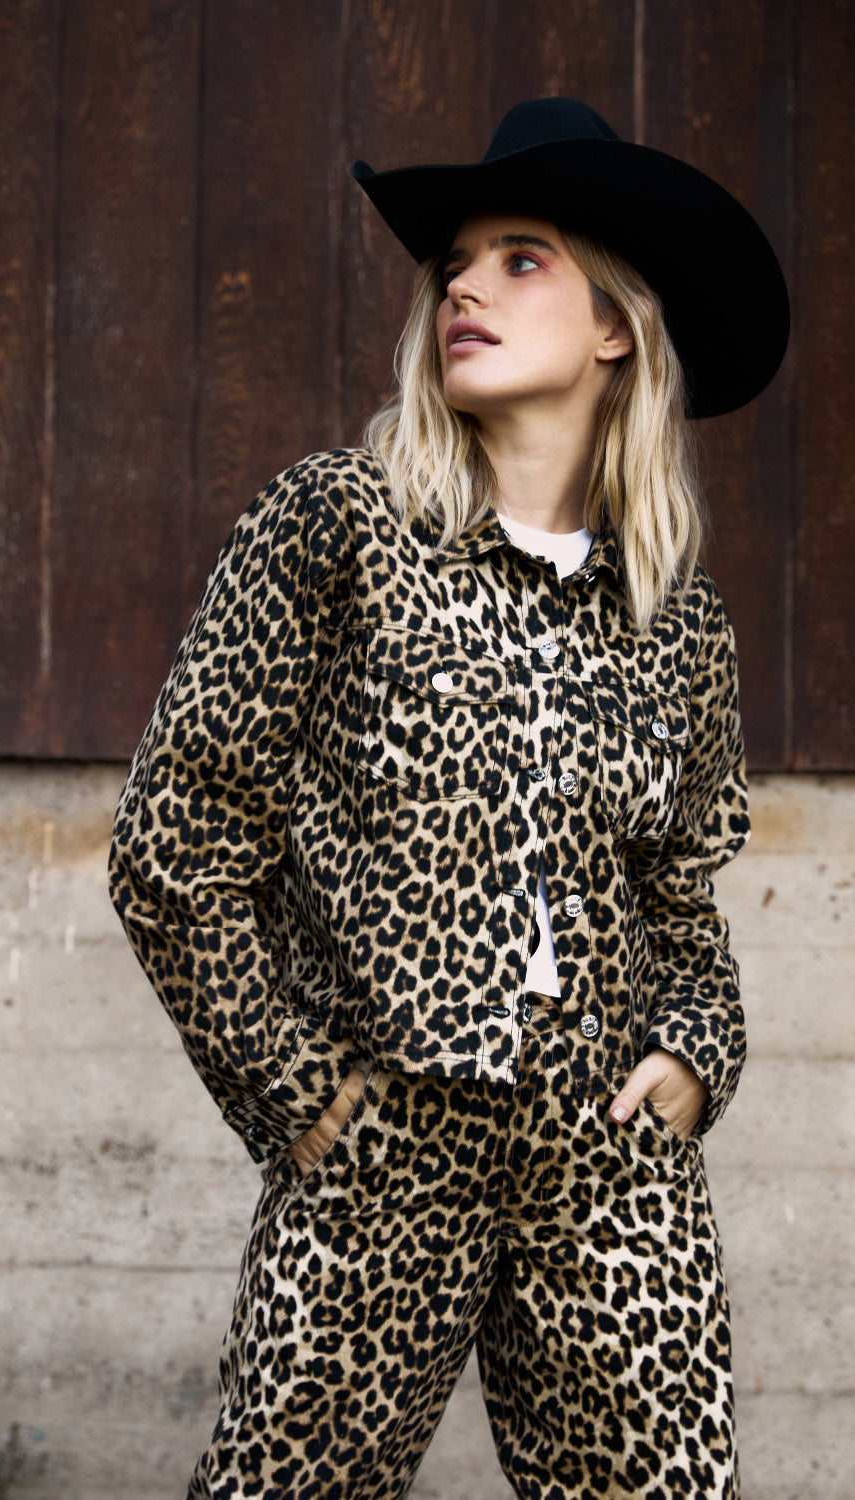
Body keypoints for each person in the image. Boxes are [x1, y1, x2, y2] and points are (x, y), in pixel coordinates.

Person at [109, 98, 788, 1500]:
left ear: (618, 329)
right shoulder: (336, 524)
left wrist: (695, 1048)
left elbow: (684, 893)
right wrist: (294, 1090)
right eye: (454, 265)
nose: (464, 286)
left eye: (522, 257)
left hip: (605, 1150)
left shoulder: (681, 621)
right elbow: (176, 846)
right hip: (384, 1140)